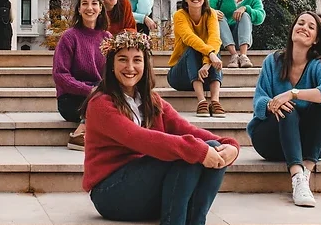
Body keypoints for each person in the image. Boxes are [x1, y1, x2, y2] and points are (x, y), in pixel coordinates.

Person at [82, 31, 240, 224]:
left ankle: (195, 221)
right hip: (110, 192)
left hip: (145, 187)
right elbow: (138, 138)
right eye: (122, 59)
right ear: (112, 65)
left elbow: (186, 128)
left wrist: (229, 144)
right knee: (188, 154)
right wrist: (196, 150)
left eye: (137, 60)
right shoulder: (101, 103)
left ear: (145, 65)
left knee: (212, 146)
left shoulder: (152, 100)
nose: (130, 67)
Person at [247, 11, 321, 207]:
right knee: (287, 108)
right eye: (301, 23)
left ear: (315, 40)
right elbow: (259, 101)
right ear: (292, 30)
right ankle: (297, 177)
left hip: (311, 144)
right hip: (271, 140)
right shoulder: (272, 62)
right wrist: (272, 105)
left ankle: (305, 173)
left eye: (311, 27)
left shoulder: (318, 66)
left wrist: (293, 93)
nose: (304, 27)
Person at [52, 0, 110, 151]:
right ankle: (80, 134)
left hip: (99, 93)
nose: (89, 8)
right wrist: (89, 90)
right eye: (84, 3)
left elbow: (112, 73)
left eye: (94, 3)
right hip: (71, 99)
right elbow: (60, 75)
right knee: (101, 101)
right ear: (78, 9)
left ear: (100, 8)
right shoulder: (69, 37)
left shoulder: (107, 38)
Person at [168, 0, 225, 117]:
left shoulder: (211, 14)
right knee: (192, 49)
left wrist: (207, 63)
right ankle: (201, 101)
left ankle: (215, 101)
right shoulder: (179, 15)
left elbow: (215, 39)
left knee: (216, 51)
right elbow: (189, 38)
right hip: (180, 76)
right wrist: (210, 54)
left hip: (205, 75)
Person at [209, 0, 266, 68]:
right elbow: (206, 7)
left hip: (241, 38)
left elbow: (260, 17)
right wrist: (213, 12)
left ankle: (243, 56)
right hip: (221, 38)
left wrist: (246, 8)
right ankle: (234, 55)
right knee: (218, 17)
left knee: (245, 15)